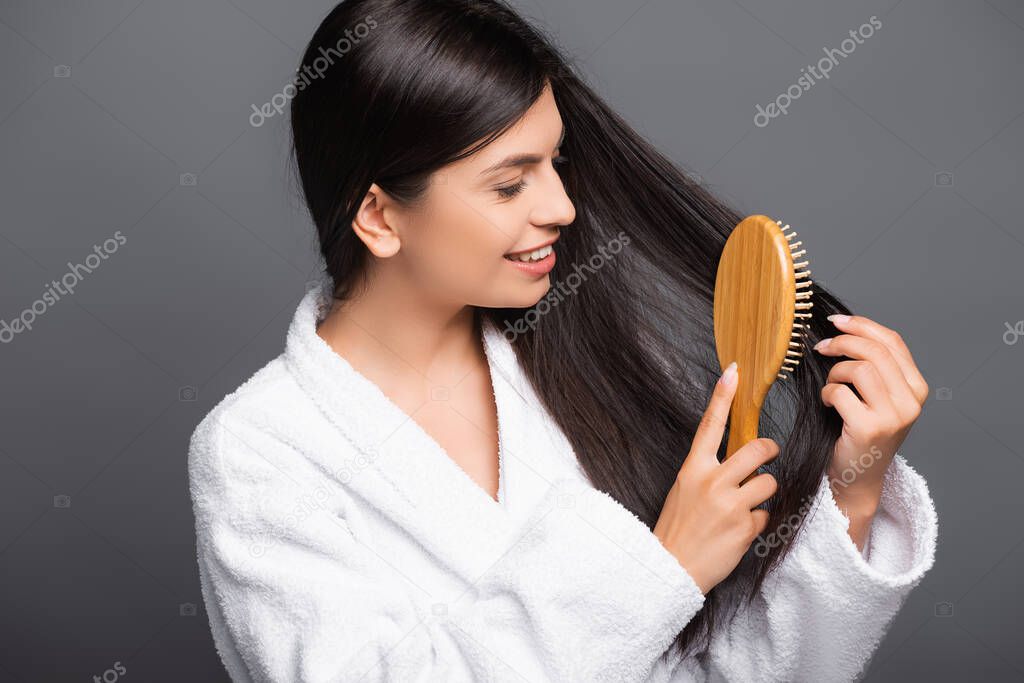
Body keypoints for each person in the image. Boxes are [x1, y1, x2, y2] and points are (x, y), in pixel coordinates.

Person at [187, 1, 937, 680]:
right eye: (510, 184)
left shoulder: (585, 356)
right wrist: (657, 569)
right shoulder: (259, 453)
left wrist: (855, 488)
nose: (563, 206)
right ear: (380, 217)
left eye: (558, 162)